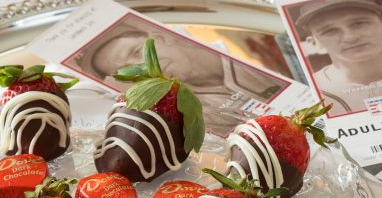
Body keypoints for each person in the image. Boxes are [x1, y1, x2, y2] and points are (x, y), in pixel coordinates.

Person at [80, 23, 285, 134]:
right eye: (127, 70)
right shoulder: (195, 115)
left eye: (137, 51)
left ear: (161, 38)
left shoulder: (245, 60)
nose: (145, 67)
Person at [295, 0, 382, 115]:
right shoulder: (308, 93)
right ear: (314, 42)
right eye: (329, 31)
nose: (350, 37)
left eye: (359, 23)